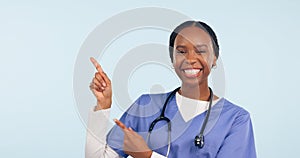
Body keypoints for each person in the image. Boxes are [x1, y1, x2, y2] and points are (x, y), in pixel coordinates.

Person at [86, 20, 257, 158]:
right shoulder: (146, 106)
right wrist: (103, 105)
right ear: (172, 59)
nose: (190, 59)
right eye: (181, 51)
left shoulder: (236, 120)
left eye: (201, 51)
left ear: (214, 58)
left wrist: (148, 156)